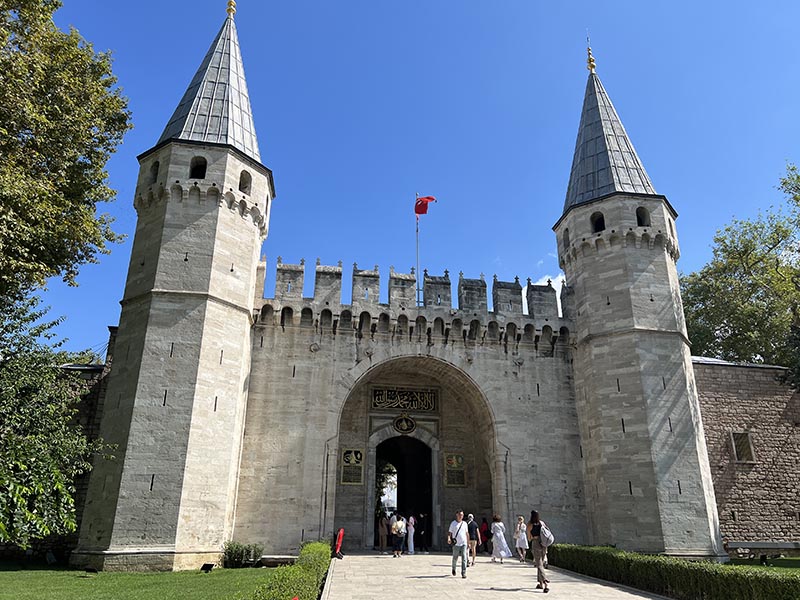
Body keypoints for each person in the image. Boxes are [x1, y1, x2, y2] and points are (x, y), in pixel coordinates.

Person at [527, 510, 550, 593]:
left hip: (536, 543)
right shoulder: (541, 523)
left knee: (539, 564)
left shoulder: (530, 524)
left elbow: (529, 537)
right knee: (540, 563)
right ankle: (540, 584)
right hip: (544, 543)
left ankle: (545, 581)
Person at [447, 509, 469, 578]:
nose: (461, 516)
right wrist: (449, 538)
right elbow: (449, 532)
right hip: (456, 544)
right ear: (457, 515)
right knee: (455, 558)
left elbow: (467, 533)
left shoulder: (465, 524)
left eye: (462, 515)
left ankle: (463, 572)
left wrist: (468, 543)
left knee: (464, 558)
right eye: (460, 515)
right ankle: (453, 568)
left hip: (463, 543)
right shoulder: (453, 523)